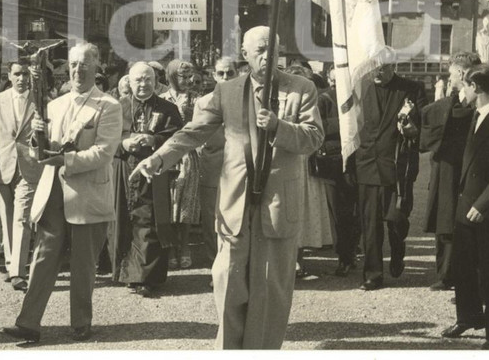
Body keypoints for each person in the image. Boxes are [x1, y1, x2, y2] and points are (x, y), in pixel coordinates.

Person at [133, 26, 324, 349]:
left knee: (269, 292)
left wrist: (279, 126)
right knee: (228, 282)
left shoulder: (300, 89)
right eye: (260, 50)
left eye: (273, 49)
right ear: (246, 56)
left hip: (278, 206)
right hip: (235, 205)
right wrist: (159, 159)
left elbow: (314, 137)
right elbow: (193, 132)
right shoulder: (228, 91)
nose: (268, 56)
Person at [1, 43, 121, 344]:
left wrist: (64, 160)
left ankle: (81, 322)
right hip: (53, 192)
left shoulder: (108, 105)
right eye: (73, 65)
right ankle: (28, 322)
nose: (78, 70)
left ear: (97, 67)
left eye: (84, 64)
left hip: (88, 194)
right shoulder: (54, 105)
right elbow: (40, 149)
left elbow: (104, 153)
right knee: (42, 258)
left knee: (83, 264)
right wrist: (35, 138)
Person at [441, 64, 489, 350]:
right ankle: (468, 316)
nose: (461, 90)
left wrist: (484, 204)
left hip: (488, 209)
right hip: (466, 204)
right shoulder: (474, 116)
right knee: (463, 266)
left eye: (465, 86)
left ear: (477, 88)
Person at [111, 62, 182, 296]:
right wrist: (123, 142)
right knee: (124, 218)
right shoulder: (116, 107)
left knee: (149, 220)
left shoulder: (168, 108)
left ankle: (146, 277)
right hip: (123, 168)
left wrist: (154, 141)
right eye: (138, 80)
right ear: (129, 82)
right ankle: (125, 274)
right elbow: (104, 138)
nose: (143, 84)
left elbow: (177, 138)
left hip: (154, 172)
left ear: (155, 81)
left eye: (147, 79)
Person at [356, 58, 426, 291]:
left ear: (392, 66)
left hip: (396, 166)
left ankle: (398, 249)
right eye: (373, 68)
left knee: (396, 219)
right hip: (367, 163)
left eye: (382, 67)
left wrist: (411, 129)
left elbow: (422, 127)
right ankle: (373, 274)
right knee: (370, 222)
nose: (377, 72)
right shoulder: (362, 89)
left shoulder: (411, 89)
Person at [0, 59, 42, 291]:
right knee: (7, 219)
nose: (22, 78)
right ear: (9, 76)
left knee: (22, 217)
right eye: (17, 74)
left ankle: (17, 272)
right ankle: (13, 264)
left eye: (25, 74)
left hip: (30, 167)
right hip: (1, 167)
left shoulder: (40, 101)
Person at [420, 52, 482, 291]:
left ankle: (454, 273)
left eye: (451, 72)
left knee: (455, 218)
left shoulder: (470, 101)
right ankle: (446, 273)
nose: (449, 77)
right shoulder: (453, 99)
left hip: (458, 167)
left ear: (460, 73)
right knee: (444, 217)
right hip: (446, 167)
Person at [285, 64, 333, 279]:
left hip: (306, 161)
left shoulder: (311, 103)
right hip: (286, 160)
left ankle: (298, 260)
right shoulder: (280, 101)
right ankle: (286, 262)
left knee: (303, 210)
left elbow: (316, 131)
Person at [316, 69, 359, 277]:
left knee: (355, 211)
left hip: (354, 161)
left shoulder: (356, 97)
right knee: (338, 213)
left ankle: (352, 250)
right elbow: (317, 127)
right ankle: (344, 256)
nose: (335, 84)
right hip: (332, 162)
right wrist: (344, 123)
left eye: (339, 81)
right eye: (332, 81)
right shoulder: (323, 99)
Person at [196, 57, 236, 268]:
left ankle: (234, 264)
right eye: (221, 73)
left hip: (238, 166)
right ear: (213, 76)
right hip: (211, 165)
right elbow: (195, 136)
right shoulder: (202, 103)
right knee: (211, 218)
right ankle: (215, 263)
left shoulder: (245, 100)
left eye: (230, 73)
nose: (225, 77)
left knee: (235, 217)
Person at [161, 59, 201, 269]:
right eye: (182, 76)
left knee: (186, 203)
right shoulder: (162, 98)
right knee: (168, 203)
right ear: (172, 77)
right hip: (167, 153)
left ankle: (184, 246)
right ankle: (169, 249)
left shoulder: (198, 99)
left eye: (190, 76)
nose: (187, 80)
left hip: (188, 154)